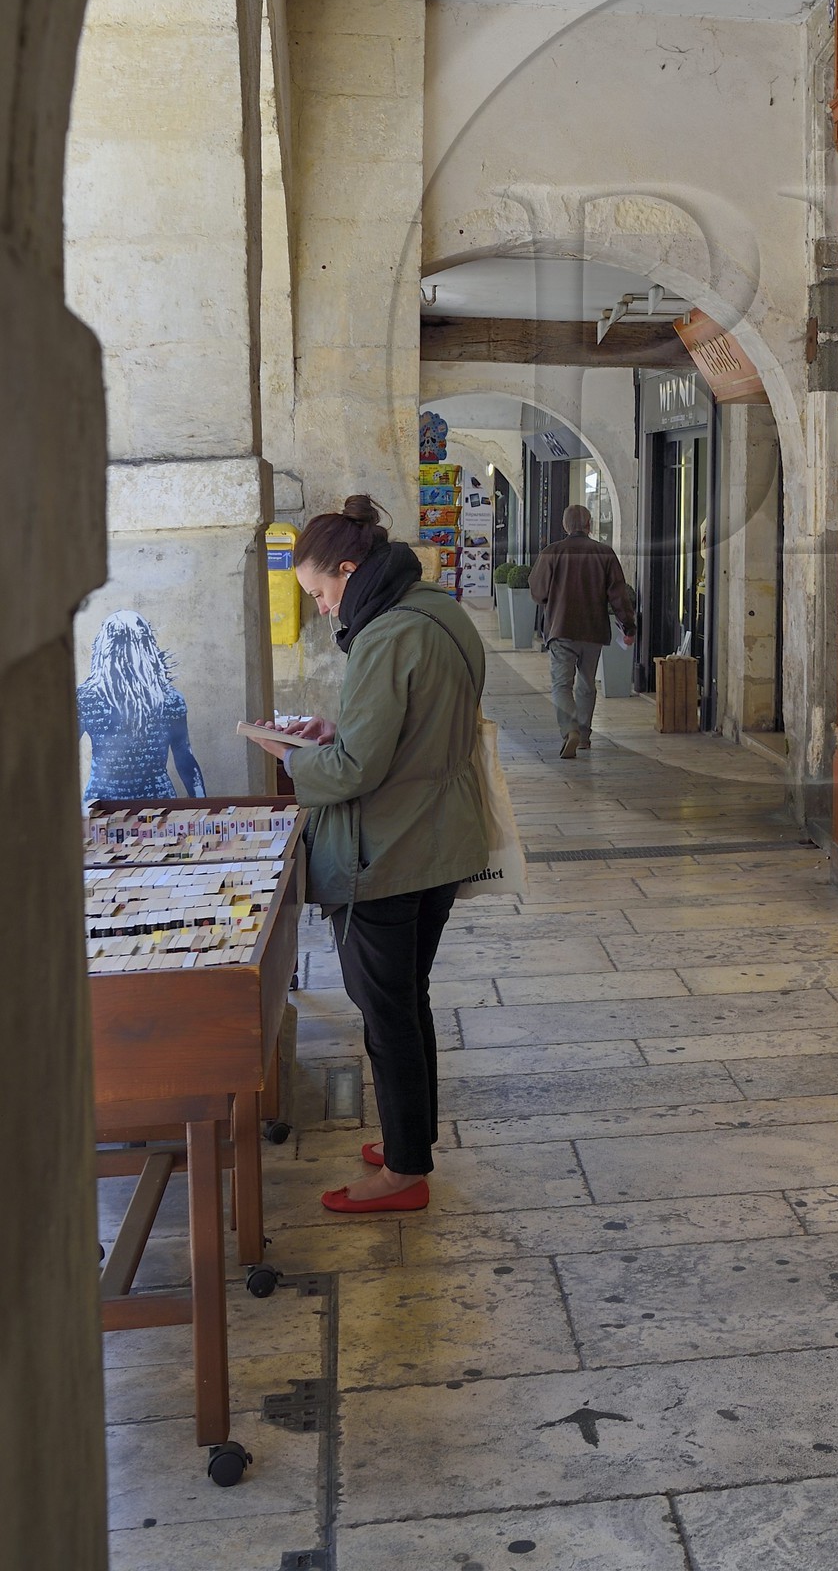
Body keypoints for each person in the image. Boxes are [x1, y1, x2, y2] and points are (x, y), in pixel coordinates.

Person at [248, 495, 493, 1215]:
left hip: (387, 853)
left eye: (323, 594)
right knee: (405, 1000)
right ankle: (407, 1142)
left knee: (385, 1012)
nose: (324, 611)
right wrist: (338, 731)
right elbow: (414, 729)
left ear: (350, 571)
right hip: (442, 838)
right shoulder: (440, 609)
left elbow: (357, 770)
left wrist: (291, 761)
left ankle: (404, 1173)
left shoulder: (386, 635)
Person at [528, 504, 636, 759]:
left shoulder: (551, 552)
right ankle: (585, 736)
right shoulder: (604, 553)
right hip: (592, 630)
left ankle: (570, 730)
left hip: (561, 628)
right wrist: (628, 627)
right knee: (587, 684)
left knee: (561, 685)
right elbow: (619, 595)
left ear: (565, 526)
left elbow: (537, 591)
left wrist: (552, 600)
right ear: (590, 525)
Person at [79, 611, 206, 802]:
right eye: (122, 641)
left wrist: (203, 807)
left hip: (145, 806)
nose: (129, 652)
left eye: (135, 642)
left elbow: (184, 758)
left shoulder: (169, 700)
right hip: (105, 805)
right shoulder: (87, 697)